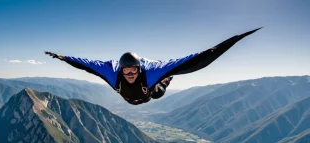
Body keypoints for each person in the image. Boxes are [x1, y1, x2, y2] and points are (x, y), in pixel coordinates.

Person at [45, 27, 261, 105]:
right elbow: (87, 65)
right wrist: (63, 57)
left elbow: (197, 60)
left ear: (139, 68)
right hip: (131, 98)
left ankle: (167, 80)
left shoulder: (151, 71)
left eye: (133, 69)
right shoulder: (111, 73)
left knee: (157, 92)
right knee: (150, 90)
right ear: (120, 69)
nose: (129, 73)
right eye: (126, 70)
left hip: (149, 91)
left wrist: (227, 43)